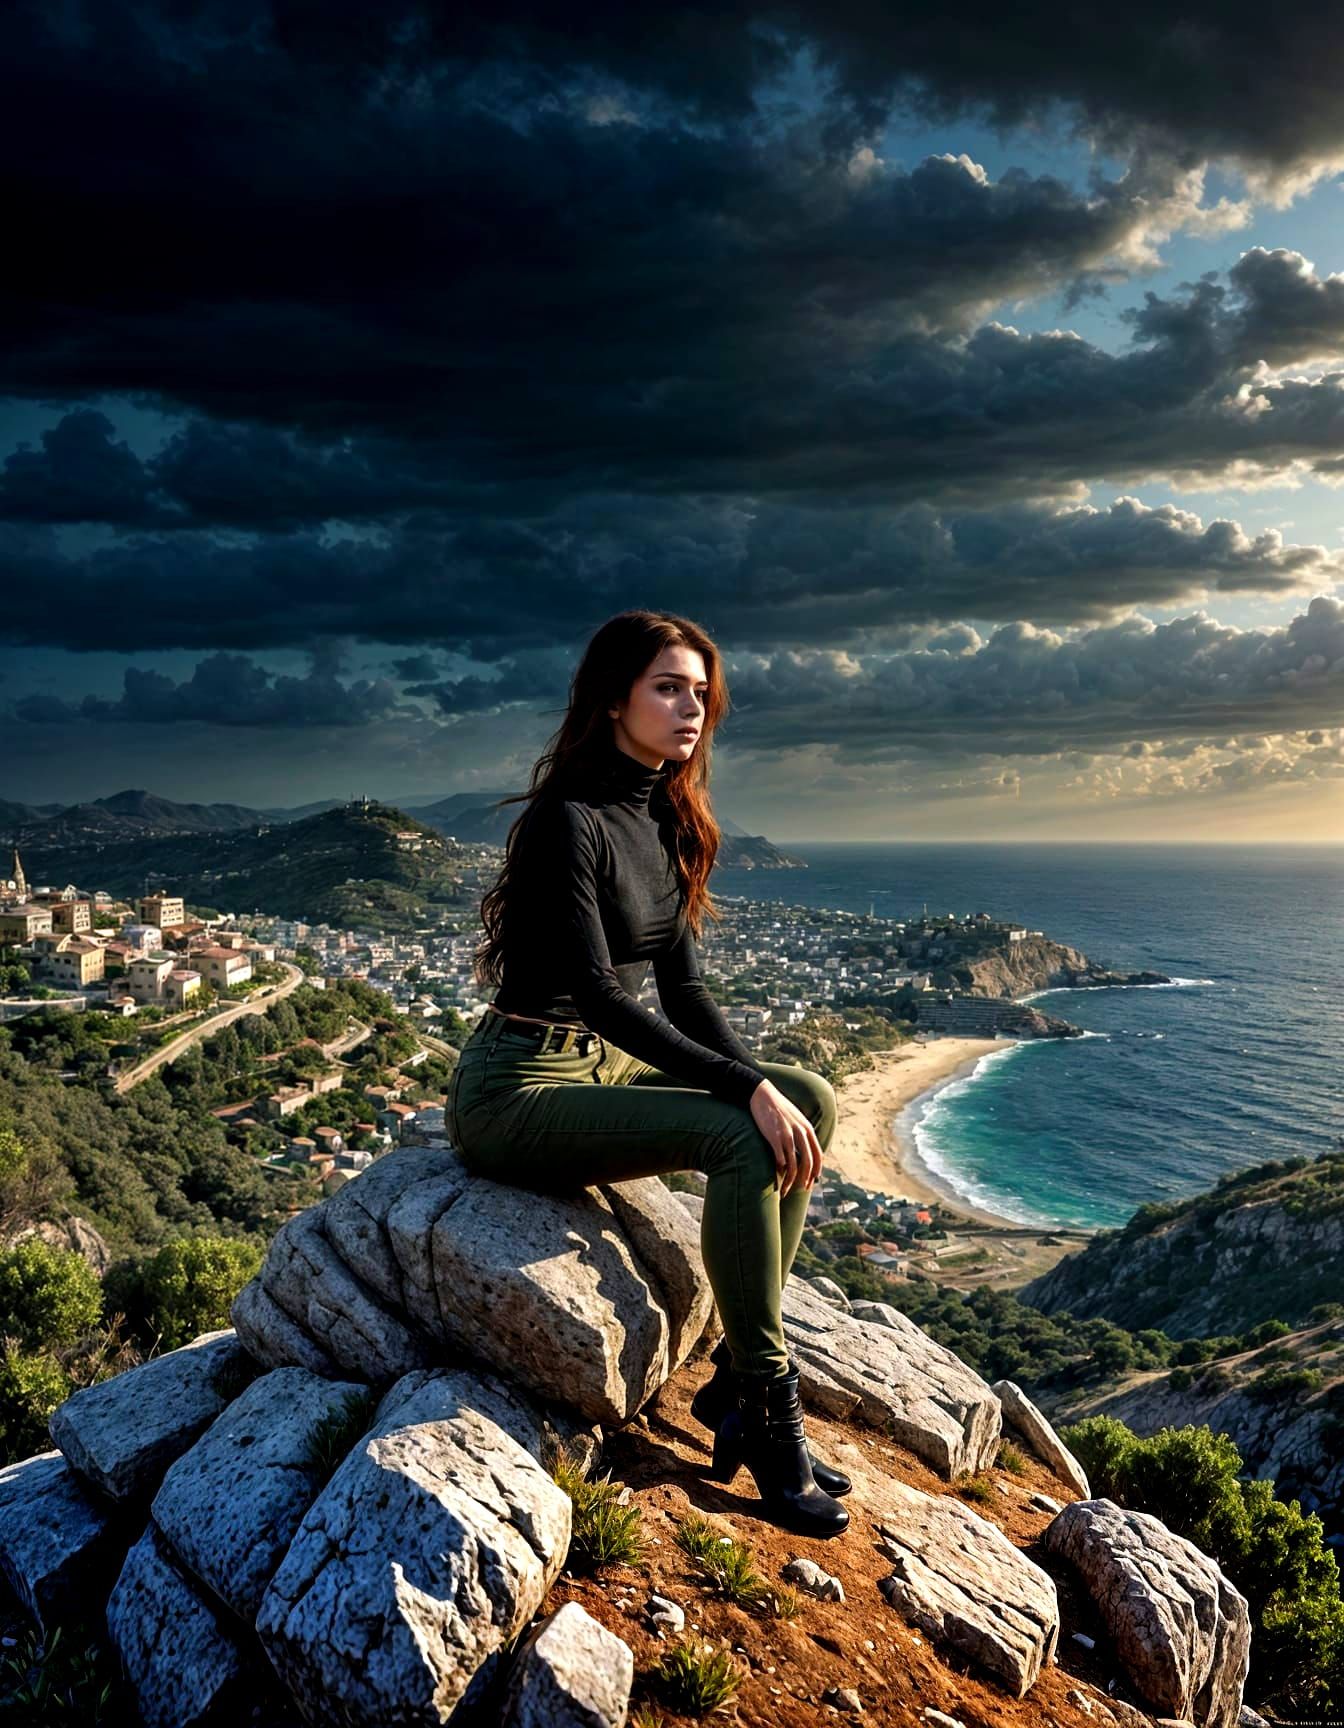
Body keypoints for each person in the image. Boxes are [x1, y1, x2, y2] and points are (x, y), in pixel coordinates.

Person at [447, 608, 850, 1538]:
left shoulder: (665, 816)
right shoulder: (569, 821)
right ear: (614, 697)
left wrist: (763, 1081)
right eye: (669, 687)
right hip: (518, 1089)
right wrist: (741, 1094)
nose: (691, 709)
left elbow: (685, 988)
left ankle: (732, 1394)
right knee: (737, 1133)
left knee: (813, 1099)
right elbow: (596, 992)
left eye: (702, 693)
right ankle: (767, 1408)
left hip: (609, 1070)